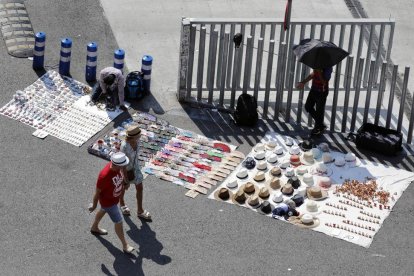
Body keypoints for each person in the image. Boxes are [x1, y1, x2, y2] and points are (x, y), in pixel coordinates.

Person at [88, 152, 134, 254]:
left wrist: (125, 182)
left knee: (103, 210)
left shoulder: (118, 167)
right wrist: (94, 205)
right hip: (109, 202)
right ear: (116, 164)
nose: (124, 166)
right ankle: (125, 245)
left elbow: (122, 173)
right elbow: (97, 192)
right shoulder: (104, 176)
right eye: (123, 165)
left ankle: (94, 227)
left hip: (113, 199)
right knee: (118, 221)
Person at [119, 125, 152, 220]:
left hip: (135, 168)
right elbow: (122, 165)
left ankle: (140, 211)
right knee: (123, 188)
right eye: (139, 135)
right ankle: (122, 204)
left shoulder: (137, 141)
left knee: (140, 188)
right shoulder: (124, 146)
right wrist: (125, 180)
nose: (140, 136)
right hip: (126, 170)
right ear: (132, 137)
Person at [296, 67, 333, 136]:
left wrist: (319, 71)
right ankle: (320, 125)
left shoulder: (328, 67)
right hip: (314, 89)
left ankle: (318, 129)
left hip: (321, 92)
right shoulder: (317, 63)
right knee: (308, 106)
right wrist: (303, 82)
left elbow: (324, 82)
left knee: (319, 111)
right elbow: (313, 74)